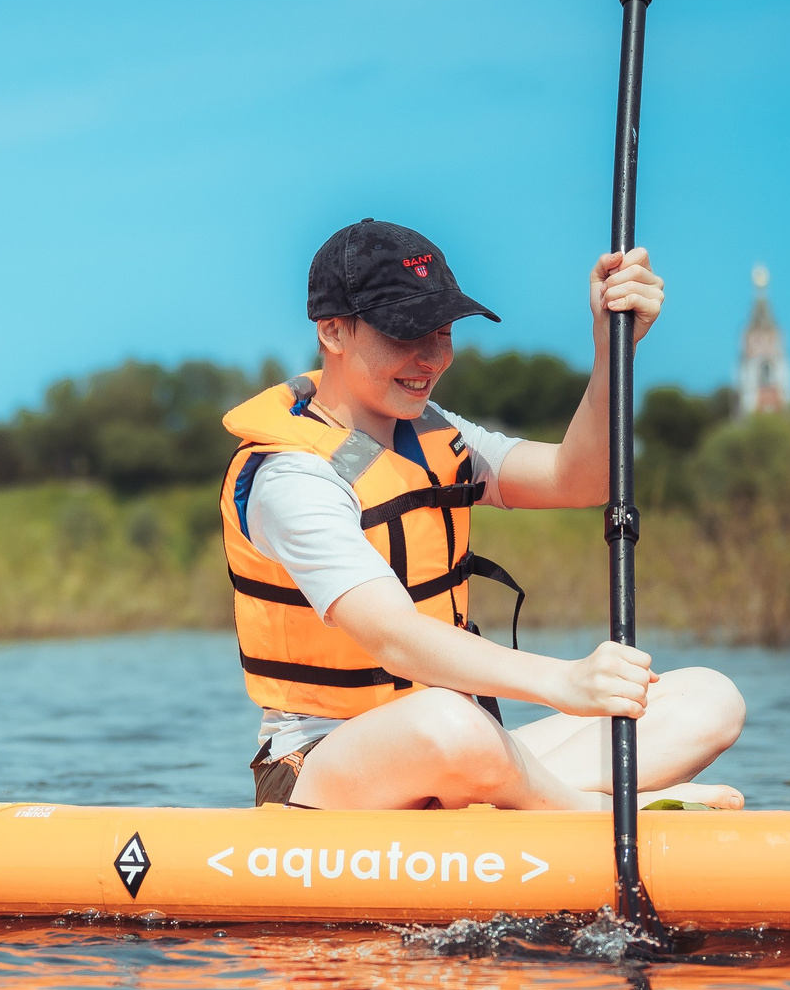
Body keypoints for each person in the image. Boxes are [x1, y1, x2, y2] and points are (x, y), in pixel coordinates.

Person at [221, 220, 744, 812]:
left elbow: (577, 479)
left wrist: (611, 348)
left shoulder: (431, 434)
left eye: (442, 332)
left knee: (710, 700)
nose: (431, 358)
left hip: (458, 752)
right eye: (405, 332)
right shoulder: (293, 477)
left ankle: (523, 799)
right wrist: (564, 681)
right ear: (333, 330)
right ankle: (597, 813)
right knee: (450, 722)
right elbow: (395, 637)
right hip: (323, 770)